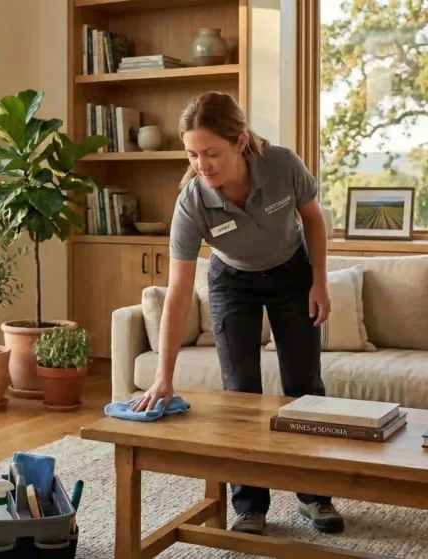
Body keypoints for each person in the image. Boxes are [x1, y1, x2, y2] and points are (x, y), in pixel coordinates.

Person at [129, 91, 343, 536]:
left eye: (212, 153)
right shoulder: (192, 203)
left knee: (304, 386)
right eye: (192, 154)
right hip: (232, 283)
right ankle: (250, 505)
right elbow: (178, 296)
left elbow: (314, 220)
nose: (202, 165)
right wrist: (164, 377)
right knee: (239, 394)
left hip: (291, 273)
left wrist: (320, 279)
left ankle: (316, 496)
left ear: (240, 142)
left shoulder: (282, 165)